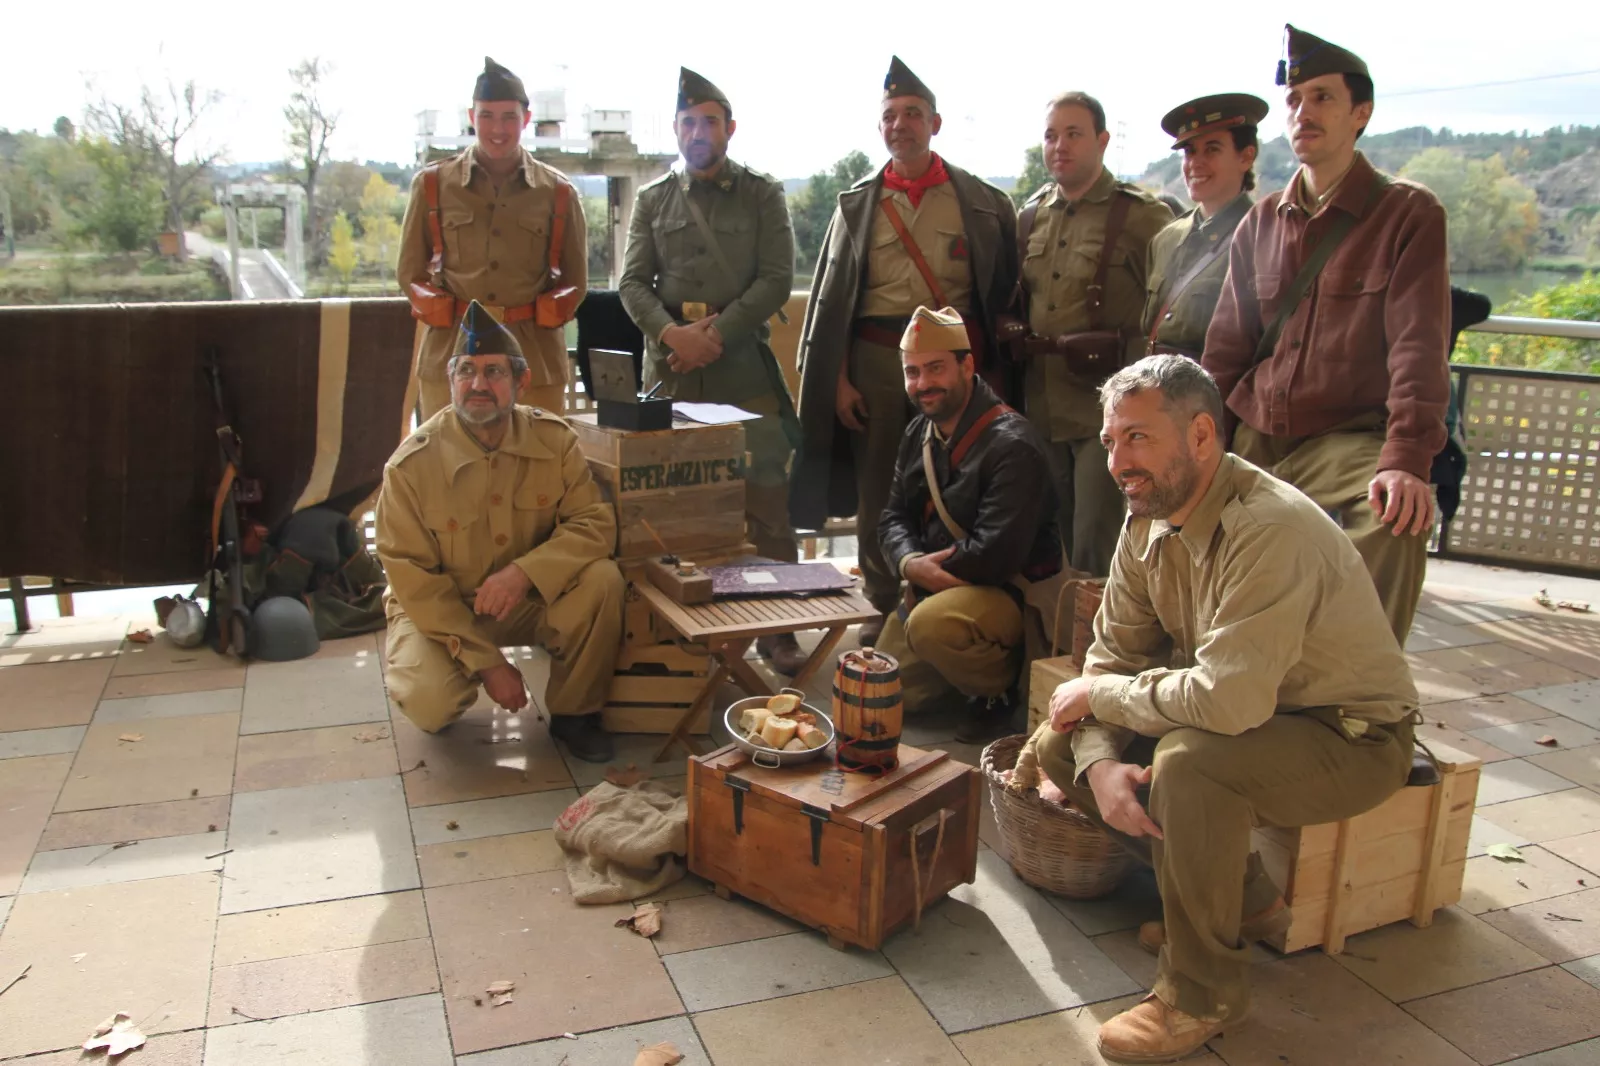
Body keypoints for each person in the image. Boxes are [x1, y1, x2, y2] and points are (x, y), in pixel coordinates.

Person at [1036, 355, 1417, 1064]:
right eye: (1111, 439)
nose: (1118, 460)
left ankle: (1202, 991)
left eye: (1139, 438)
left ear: (1203, 435)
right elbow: (1111, 655)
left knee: (1190, 767)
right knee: (1063, 746)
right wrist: (1095, 762)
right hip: (1256, 717)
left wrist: (1102, 698)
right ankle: (1244, 904)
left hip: (1352, 735)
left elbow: (1224, 701)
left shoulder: (1270, 526)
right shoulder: (1146, 513)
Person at [1202, 25, 1451, 643]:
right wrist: (1198, 445)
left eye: (1323, 98)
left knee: (1396, 515)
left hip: (1346, 438)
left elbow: (1419, 348)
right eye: (1295, 100)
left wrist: (1407, 460)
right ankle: (1213, 677)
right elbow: (1226, 350)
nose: (1303, 112)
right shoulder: (1261, 221)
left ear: (1359, 114)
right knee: (1181, 520)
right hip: (1259, 433)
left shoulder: (1407, 216)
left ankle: (1364, 697)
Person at [790, 57, 1018, 647]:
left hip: (955, 366)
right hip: (877, 363)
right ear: (880, 128)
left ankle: (948, 597)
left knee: (960, 481)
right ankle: (881, 600)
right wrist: (838, 379)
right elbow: (834, 302)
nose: (901, 125)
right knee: (879, 485)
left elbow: (1003, 293)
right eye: (890, 116)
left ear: (935, 123)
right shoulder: (857, 205)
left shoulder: (982, 203)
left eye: (913, 114)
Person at [377, 301, 624, 763]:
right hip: (443, 608)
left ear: (521, 381)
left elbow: (594, 524)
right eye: (466, 371)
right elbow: (411, 578)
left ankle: (576, 714)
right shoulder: (411, 467)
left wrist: (524, 573)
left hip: (525, 599)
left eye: (493, 372)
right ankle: (458, 667)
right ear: (450, 380)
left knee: (601, 581)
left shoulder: (556, 441)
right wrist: (488, 663)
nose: (478, 385)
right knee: (432, 704)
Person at [619, 68, 805, 676]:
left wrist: (715, 335)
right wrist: (673, 335)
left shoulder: (761, 193)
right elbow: (630, 284)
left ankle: (778, 628)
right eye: (688, 122)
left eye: (710, 121)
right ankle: (681, 631)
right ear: (675, 129)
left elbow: (777, 277)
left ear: (729, 128)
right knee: (674, 502)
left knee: (767, 498)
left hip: (742, 368)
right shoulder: (652, 200)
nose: (699, 133)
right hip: (673, 370)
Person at [1005, 92, 1172, 577]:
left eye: (1073, 134)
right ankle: (1056, 642)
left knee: (1097, 543)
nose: (1060, 146)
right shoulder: (1032, 215)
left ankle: (1097, 648)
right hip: (1043, 405)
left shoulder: (1140, 215)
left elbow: (1167, 309)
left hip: (1109, 409)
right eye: (1051, 135)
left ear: (1102, 140)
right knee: (1051, 536)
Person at [876, 306, 1060, 742]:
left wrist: (924, 576)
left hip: (1010, 594)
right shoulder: (918, 433)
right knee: (882, 692)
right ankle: (961, 677)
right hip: (943, 586)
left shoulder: (1012, 444)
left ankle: (999, 691)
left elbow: (995, 554)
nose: (923, 384)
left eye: (935, 368)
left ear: (968, 365)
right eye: (912, 372)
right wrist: (908, 564)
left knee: (929, 627)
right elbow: (892, 517)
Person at [398, 57, 588, 420]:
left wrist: (552, 308)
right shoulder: (433, 186)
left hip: (533, 361)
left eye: (508, 117)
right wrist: (435, 306)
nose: (497, 129)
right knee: (449, 467)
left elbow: (576, 281)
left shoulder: (558, 192)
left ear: (526, 119)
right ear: (472, 116)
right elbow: (409, 273)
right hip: (452, 356)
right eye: (487, 116)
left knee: (536, 465)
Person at [1141, 94, 1268, 359]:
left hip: (1218, 394)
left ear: (1246, 157)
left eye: (1212, 149)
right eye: (1189, 152)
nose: (1196, 163)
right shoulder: (1166, 239)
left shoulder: (1265, 238)